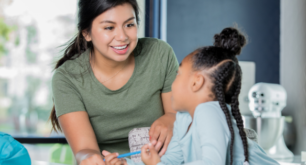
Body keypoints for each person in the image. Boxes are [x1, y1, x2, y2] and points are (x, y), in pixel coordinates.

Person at [104, 27, 280, 165]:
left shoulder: (210, 112)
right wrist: (126, 164)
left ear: (196, 82)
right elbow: (171, 162)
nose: (172, 81)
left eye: (178, 74)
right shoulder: (183, 119)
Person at [49, 0, 178, 165]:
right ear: (86, 33)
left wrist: (171, 118)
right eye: (109, 27)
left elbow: (177, 115)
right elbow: (84, 150)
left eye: (129, 25)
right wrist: (89, 159)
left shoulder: (160, 53)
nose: (122, 36)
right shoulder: (67, 77)